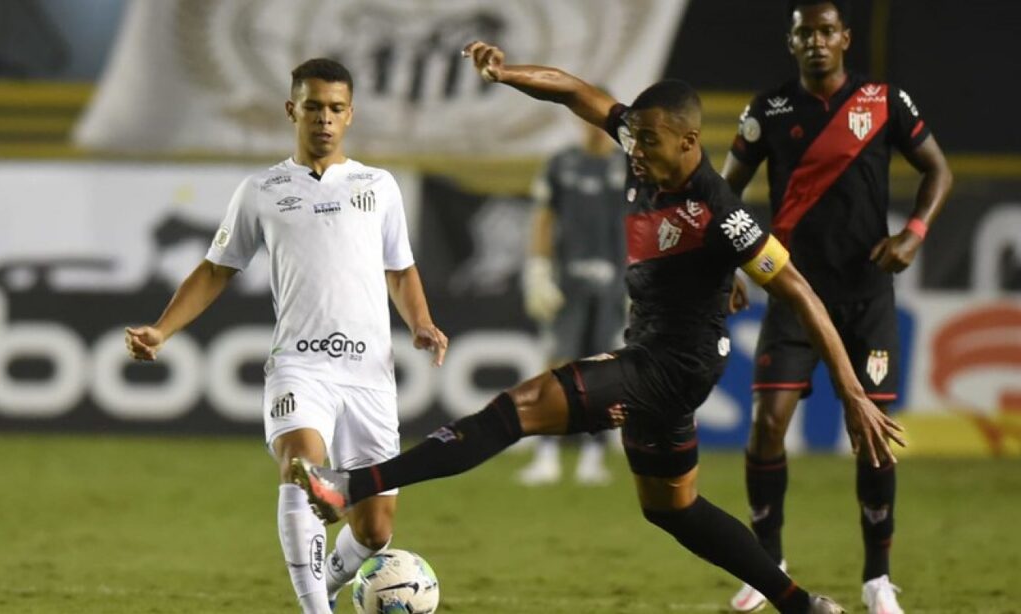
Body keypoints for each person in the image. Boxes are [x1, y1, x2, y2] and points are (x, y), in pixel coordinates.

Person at [292, 41, 908, 614]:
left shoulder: (719, 209)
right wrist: (508, 74)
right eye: (632, 137)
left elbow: (797, 288)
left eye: (648, 141)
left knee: (521, 407)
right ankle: (804, 605)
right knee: (674, 508)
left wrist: (851, 390)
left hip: (671, 366)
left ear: (690, 140)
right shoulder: (643, 145)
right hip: (658, 357)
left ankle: (352, 485)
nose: (634, 151)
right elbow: (573, 91)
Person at [124, 58, 448, 614]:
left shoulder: (379, 186)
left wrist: (420, 322)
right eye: (315, 106)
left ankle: (320, 585)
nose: (325, 118)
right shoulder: (262, 190)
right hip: (301, 366)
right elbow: (215, 269)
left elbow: (399, 268)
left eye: (336, 108)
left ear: (351, 116)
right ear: (291, 109)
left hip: (370, 375)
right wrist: (162, 328)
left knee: (375, 531)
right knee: (303, 466)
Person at [721, 2, 953, 612]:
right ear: (791, 41)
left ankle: (877, 578)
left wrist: (914, 234)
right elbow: (723, 194)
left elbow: (938, 170)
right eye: (805, 33)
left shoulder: (882, 101)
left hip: (866, 297)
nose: (817, 42)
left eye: (827, 31)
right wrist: (727, 265)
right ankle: (766, 564)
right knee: (767, 424)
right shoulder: (767, 110)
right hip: (793, 293)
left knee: (872, 438)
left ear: (846, 38)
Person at [517, 115, 628, 486]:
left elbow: (643, 220)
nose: (594, 127)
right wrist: (537, 268)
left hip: (614, 282)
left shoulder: (629, 166)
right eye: (589, 120)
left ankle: (593, 456)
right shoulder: (561, 164)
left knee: (603, 372)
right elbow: (544, 217)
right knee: (557, 367)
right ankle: (546, 453)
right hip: (568, 280)